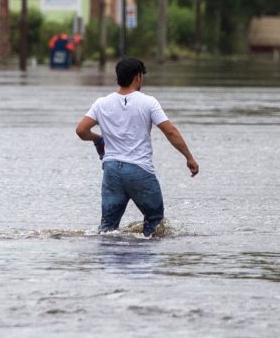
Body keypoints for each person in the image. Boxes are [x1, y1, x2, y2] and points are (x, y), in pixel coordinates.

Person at [75, 58, 199, 238]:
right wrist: (189, 157)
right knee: (155, 221)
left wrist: (97, 139)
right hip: (139, 170)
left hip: (111, 171)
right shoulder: (148, 102)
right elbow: (170, 131)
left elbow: (81, 130)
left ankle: (109, 262)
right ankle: (144, 255)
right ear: (138, 77)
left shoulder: (101, 103)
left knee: (108, 227)